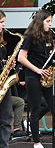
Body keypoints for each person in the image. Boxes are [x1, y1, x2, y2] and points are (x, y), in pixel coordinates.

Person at [17, 9, 55, 148]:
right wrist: (38, 70)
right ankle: (37, 142)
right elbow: (21, 58)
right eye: (48, 21)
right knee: (35, 108)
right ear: (40, 22)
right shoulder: (30, 37)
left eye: (51, 21)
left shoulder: (49, 38)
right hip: (33, 76)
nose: (50, 24)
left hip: (47, 77)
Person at [0, 10, 13, 148]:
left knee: (6, 117)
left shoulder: (3, 40)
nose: (4, 25)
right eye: (1, 22)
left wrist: (9, 64)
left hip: (4, 83)